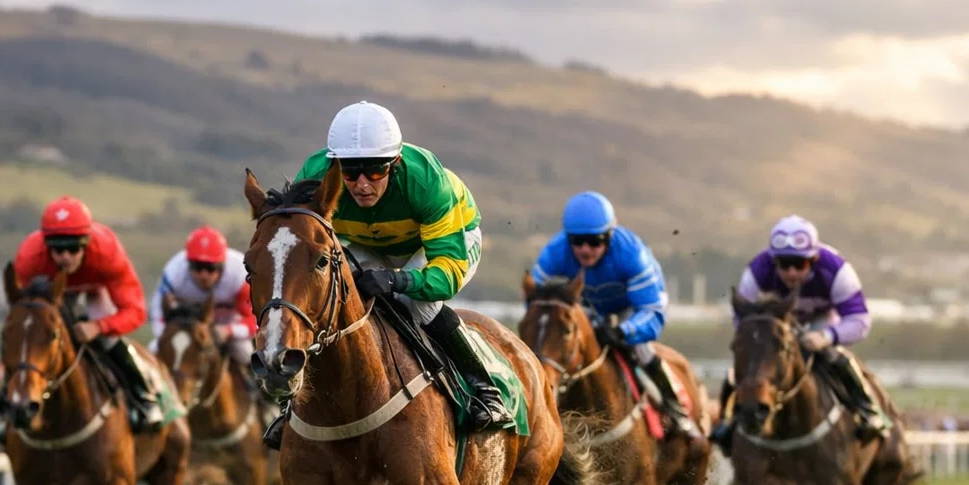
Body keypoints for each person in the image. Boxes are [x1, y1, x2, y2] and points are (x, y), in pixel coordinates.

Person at [269, 101, 508, 447]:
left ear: (394, 164)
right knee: (334, 298)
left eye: (375, 172)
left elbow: (447, 274)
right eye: (350, 173)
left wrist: (398, 279)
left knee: (418, 304)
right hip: (366, 240)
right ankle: (296, 405)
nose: (362, 184)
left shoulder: (426, 182)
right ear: (335, 168)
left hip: (439, 243)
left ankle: (482, 387)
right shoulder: (316, 175)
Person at [709, 215, 892, 453]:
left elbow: (860, 320)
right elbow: (742, 319)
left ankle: (868, 411)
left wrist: (827, 336)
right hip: (774, 327)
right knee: (740, 370)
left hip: (821, 321)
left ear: (814, 260)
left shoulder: (836, 269)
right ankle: (728, 422)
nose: (792, 272)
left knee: (835, 356)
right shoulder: (757, 270)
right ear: (774, 261)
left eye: (800, 264)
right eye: (784, 264)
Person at [529, 191, 702, 439]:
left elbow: (652, 311)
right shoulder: (554, 253)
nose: (585, 249)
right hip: (590, 309)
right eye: (577, 241)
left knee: (642, 350)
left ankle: (676, 410)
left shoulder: (632, 256)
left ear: (609, 236)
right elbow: (536, 303)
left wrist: (622, 331)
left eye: (595, 241)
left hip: (631, 309)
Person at [7, 196, 170, 429]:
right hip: (51, 295)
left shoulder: (107, 252)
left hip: (96, 291)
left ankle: (143, 396)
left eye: (73, 249)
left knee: (108, 340)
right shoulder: (29, 258)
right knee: (28, 338)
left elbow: (135, 311)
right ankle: (6, 400)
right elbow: (21, 311)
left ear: (86, 243)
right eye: (57, 249)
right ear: (46, 246)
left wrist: (99, 327)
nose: (65, 257)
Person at [150, 225, 257, 392]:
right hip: (188, 326)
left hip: (228, 324)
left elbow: (255, 320)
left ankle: (260, 396)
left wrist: (229, 331)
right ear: (188, 264)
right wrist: (165, 336)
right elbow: (157, 312)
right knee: (154, 349)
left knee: (244, 351)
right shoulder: (174, 273)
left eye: (210, 268)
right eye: (197, 267)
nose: (203, 275)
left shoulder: (240, 274)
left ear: (222, 265)